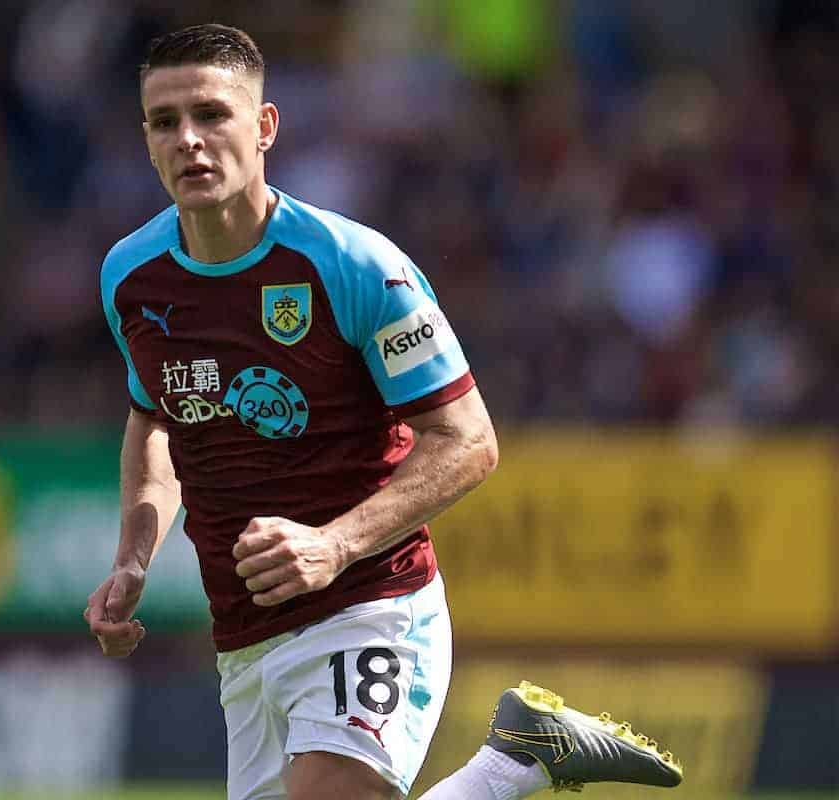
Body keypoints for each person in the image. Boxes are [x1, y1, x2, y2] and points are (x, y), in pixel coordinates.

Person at [85, 23, 683, 800]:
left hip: (370, 605)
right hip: (243, 635)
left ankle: (516, 765)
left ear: (264, 127)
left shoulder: (356, 265)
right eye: (166, 122)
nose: (189, 140)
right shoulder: (131, 278)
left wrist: (334, 545)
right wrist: (135, 554)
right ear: (146, 140)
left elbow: (468, 442)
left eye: (212, 115)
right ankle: (520, 758)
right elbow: (154, 420)